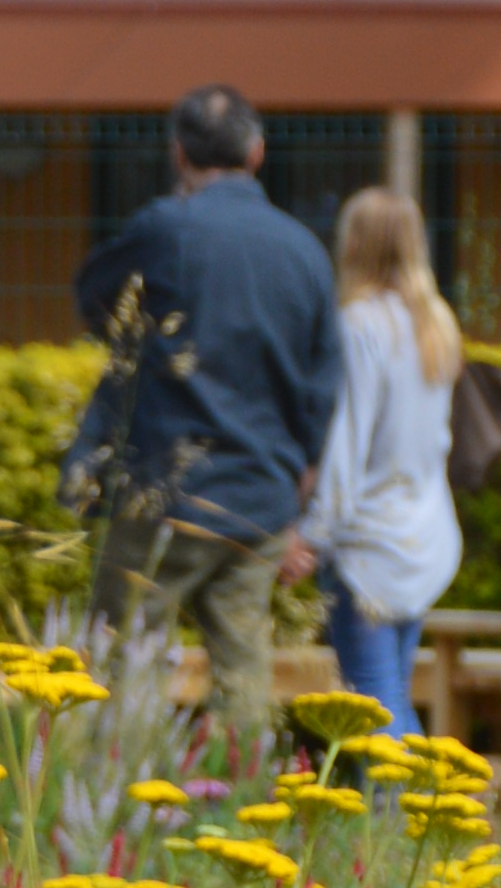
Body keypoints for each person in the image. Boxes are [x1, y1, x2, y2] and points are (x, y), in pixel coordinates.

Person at [72, 83, 341, 781]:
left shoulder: (166, 229)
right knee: (244, 667)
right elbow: (323, 380)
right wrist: (302, 472)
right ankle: (245, 811)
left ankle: (116, 809)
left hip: (166, 486)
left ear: (179, 152)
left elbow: (94, 296)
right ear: (258, 152)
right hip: (261, 497)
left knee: (126, 652)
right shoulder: (306, 251)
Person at [303, 188, 465, 738]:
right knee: (391, 690)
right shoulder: (436, 323)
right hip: (423, 536)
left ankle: (410, 815)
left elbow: (347, 446)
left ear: (352, 244)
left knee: (376, 707)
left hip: (368, 546)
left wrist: (313, 535)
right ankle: (421, 809)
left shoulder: (362, 326)